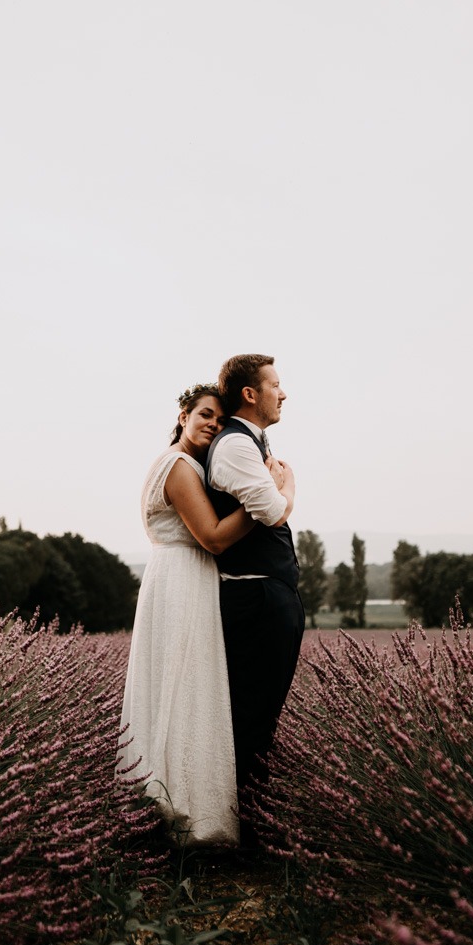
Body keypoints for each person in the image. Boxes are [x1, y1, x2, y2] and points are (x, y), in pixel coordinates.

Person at [118, 383, 270, 846]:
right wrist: (265, 499)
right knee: (186, 686)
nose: (213, 424)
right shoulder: (181, 467)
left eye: (221, 421)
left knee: (180, 689)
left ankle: (171, 808)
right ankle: (184, 815)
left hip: (179, 577)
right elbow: (215, 538)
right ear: (182, 415)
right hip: (184, 578)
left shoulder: (176, 462)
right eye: (205, 414)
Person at [204, 354, 301, 842]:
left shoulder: (251, 443)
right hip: (256, 598)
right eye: (276, 385)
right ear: (250, 393)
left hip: (269, 593)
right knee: (253, 718)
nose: (284, 394)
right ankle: (253, 833)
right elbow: (271, 511)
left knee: (264, 714)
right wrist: (289, 485)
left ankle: (256, 823)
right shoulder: (236, 447)